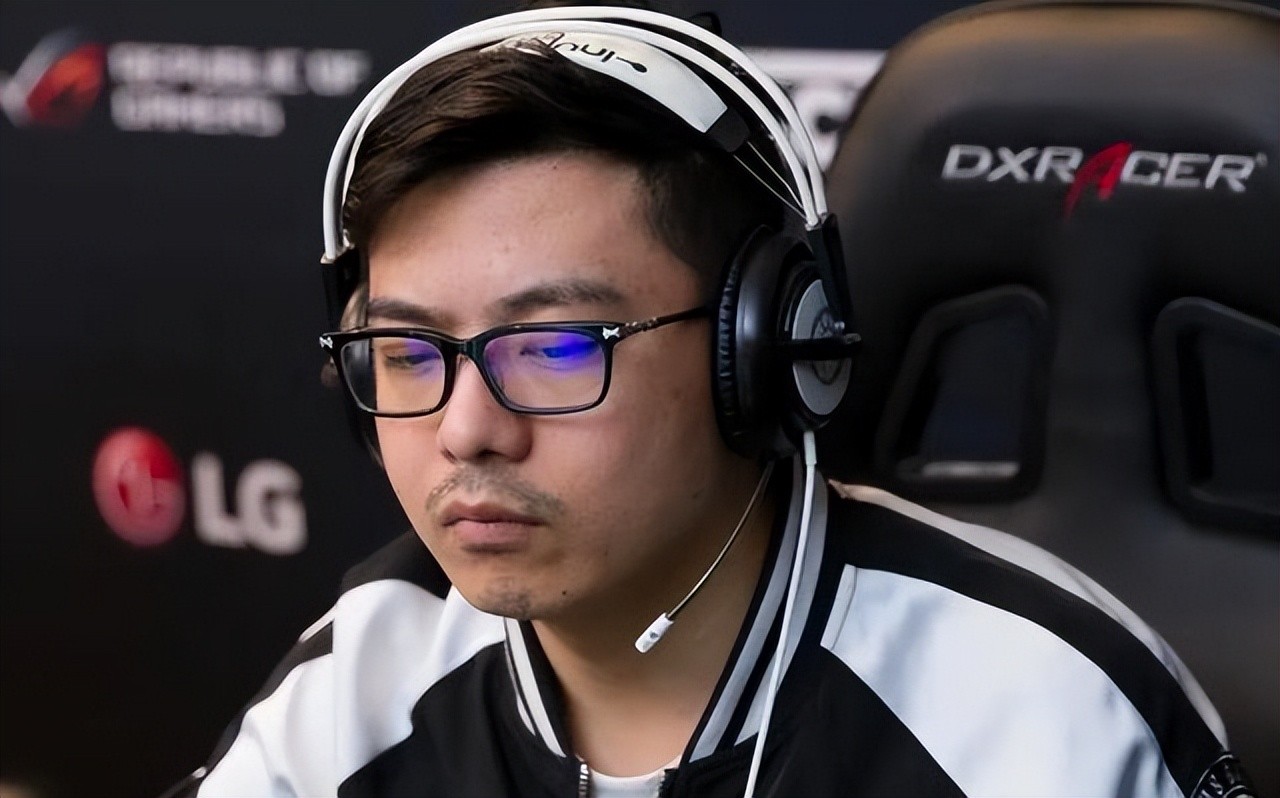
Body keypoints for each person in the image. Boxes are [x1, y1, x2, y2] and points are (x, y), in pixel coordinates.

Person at [167, 4, 1252, 797]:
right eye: (408, 351)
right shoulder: (360, 681)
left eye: (555, 346)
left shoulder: (1038, 715)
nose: (465, 431)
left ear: (768, 351)